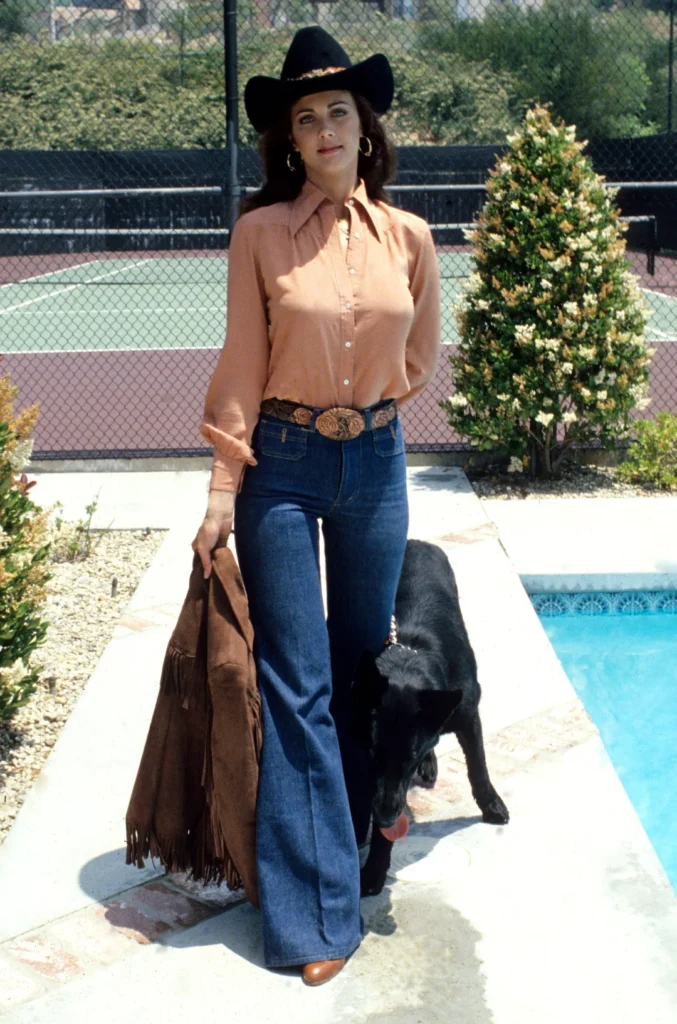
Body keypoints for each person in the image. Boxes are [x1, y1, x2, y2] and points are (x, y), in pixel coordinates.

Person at [191, 25, 441, 986]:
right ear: (289, 140)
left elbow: (416, 358)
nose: (326, 129)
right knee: (296, 684)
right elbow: (241, 361)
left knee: (357, 670)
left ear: (364, 127)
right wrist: (224, 485)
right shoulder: (258, 236)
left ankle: (359, 846)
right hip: (283, 468)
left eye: (340, 111)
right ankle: (313, 916)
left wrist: (365, 413)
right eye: (307, 117)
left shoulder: (409, 238)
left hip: (374, 462)